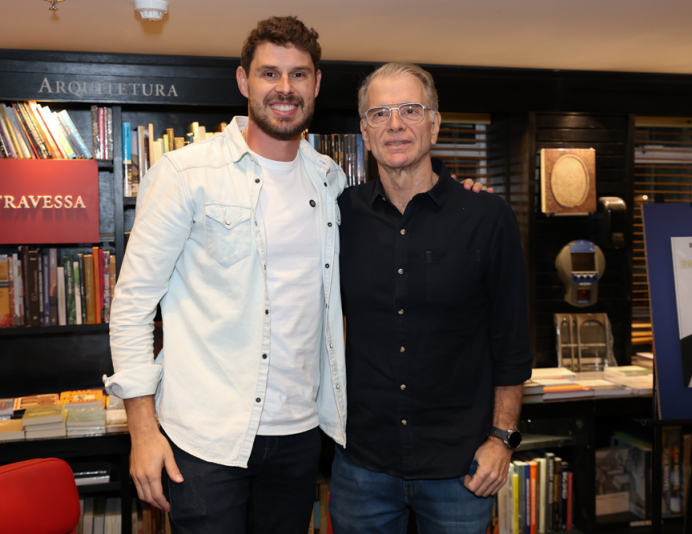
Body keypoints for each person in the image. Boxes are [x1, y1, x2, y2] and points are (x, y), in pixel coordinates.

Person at [104, 16, 347, 534]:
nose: (285, 88)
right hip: (204, 440)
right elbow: (132, 307)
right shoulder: (185, 174)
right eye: (269, 73)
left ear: (317, 84)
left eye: (299, 74)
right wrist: (143, 431)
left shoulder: (329, 180)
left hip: (300, 434)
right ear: (243, 81)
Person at [330, 63, 533, 534]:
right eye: (379, 114)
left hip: (461, 469)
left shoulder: (487, 216)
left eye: (410, 110)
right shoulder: (340, 217)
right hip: (362, 465)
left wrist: (502, 438)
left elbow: (511, 342)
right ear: (365, 133)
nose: (394, 124)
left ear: (435, 125)